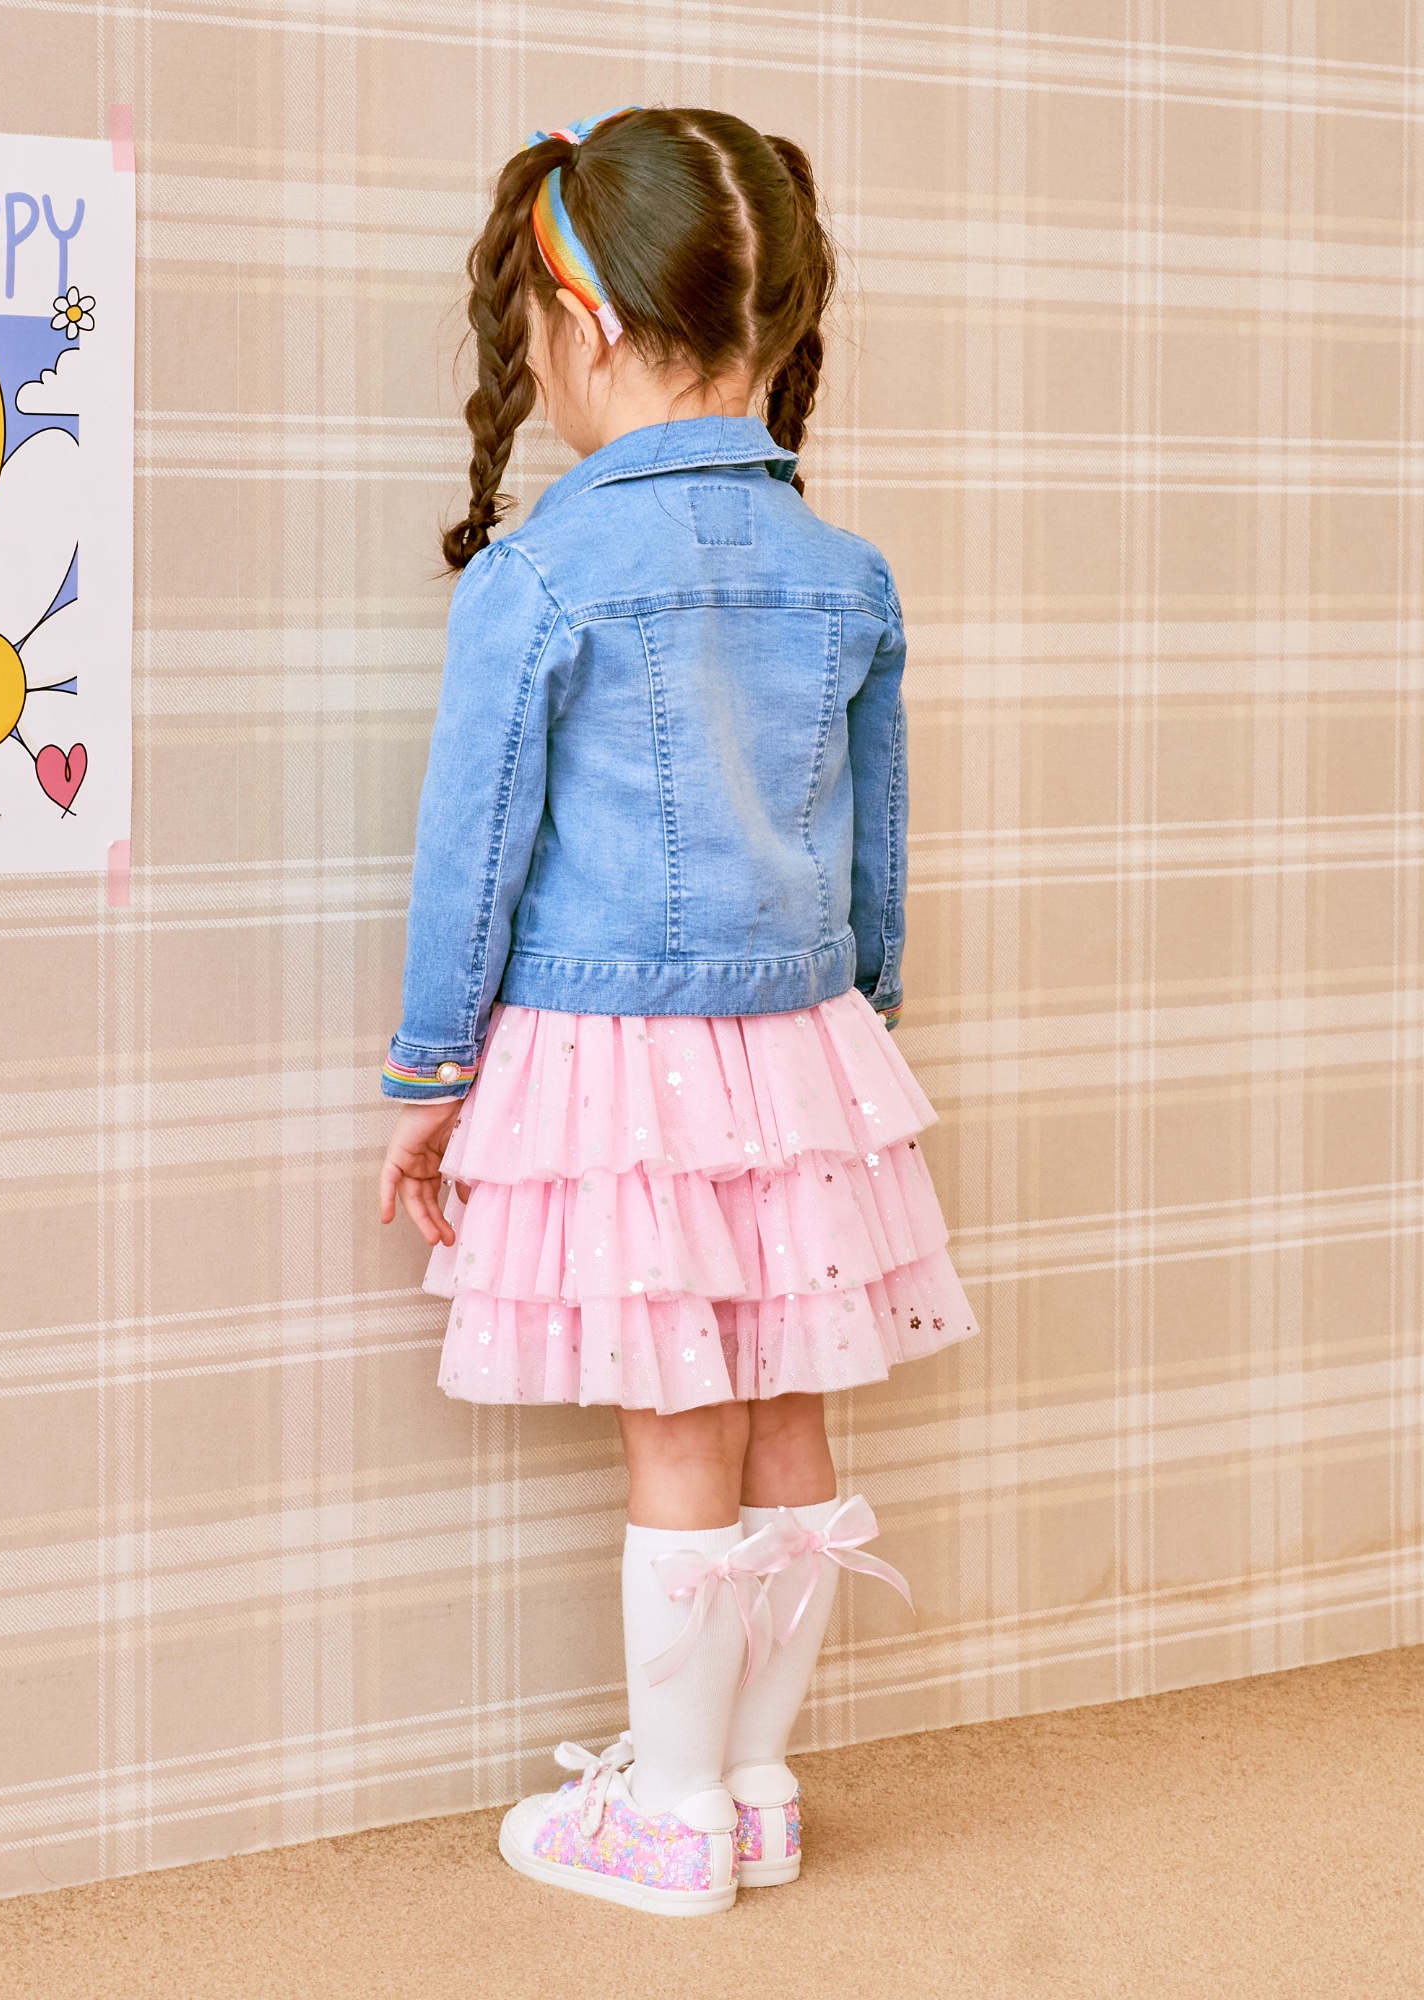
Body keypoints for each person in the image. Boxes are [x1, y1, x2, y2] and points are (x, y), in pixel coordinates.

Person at [379, 104, 979, 1916]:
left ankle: (672, 1817)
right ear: (774, 322)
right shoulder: (845, 572)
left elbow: (472, 851)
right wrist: (864, 1024)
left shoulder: (542, 573)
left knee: (677, 1424)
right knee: (791, 1409)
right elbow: (873, 850)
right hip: (806, 1048)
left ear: (583, 319)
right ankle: (758, 1788)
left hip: (614, 1061)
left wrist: (430, 1071)